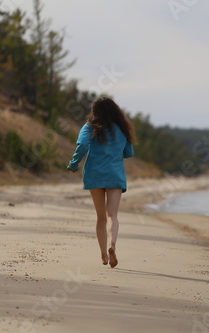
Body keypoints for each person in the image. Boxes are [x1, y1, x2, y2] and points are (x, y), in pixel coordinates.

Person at [67, 97, 136, 268]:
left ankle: (104, 255)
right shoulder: (122, 128)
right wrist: (113, 152)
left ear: (95, 111)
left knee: (100, 218)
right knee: (112, 215)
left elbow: (82, 146)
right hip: (115, 175)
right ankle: (113, 245)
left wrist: (74, 163)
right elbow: (128, 152)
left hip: (95, 174)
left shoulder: (89, 127)